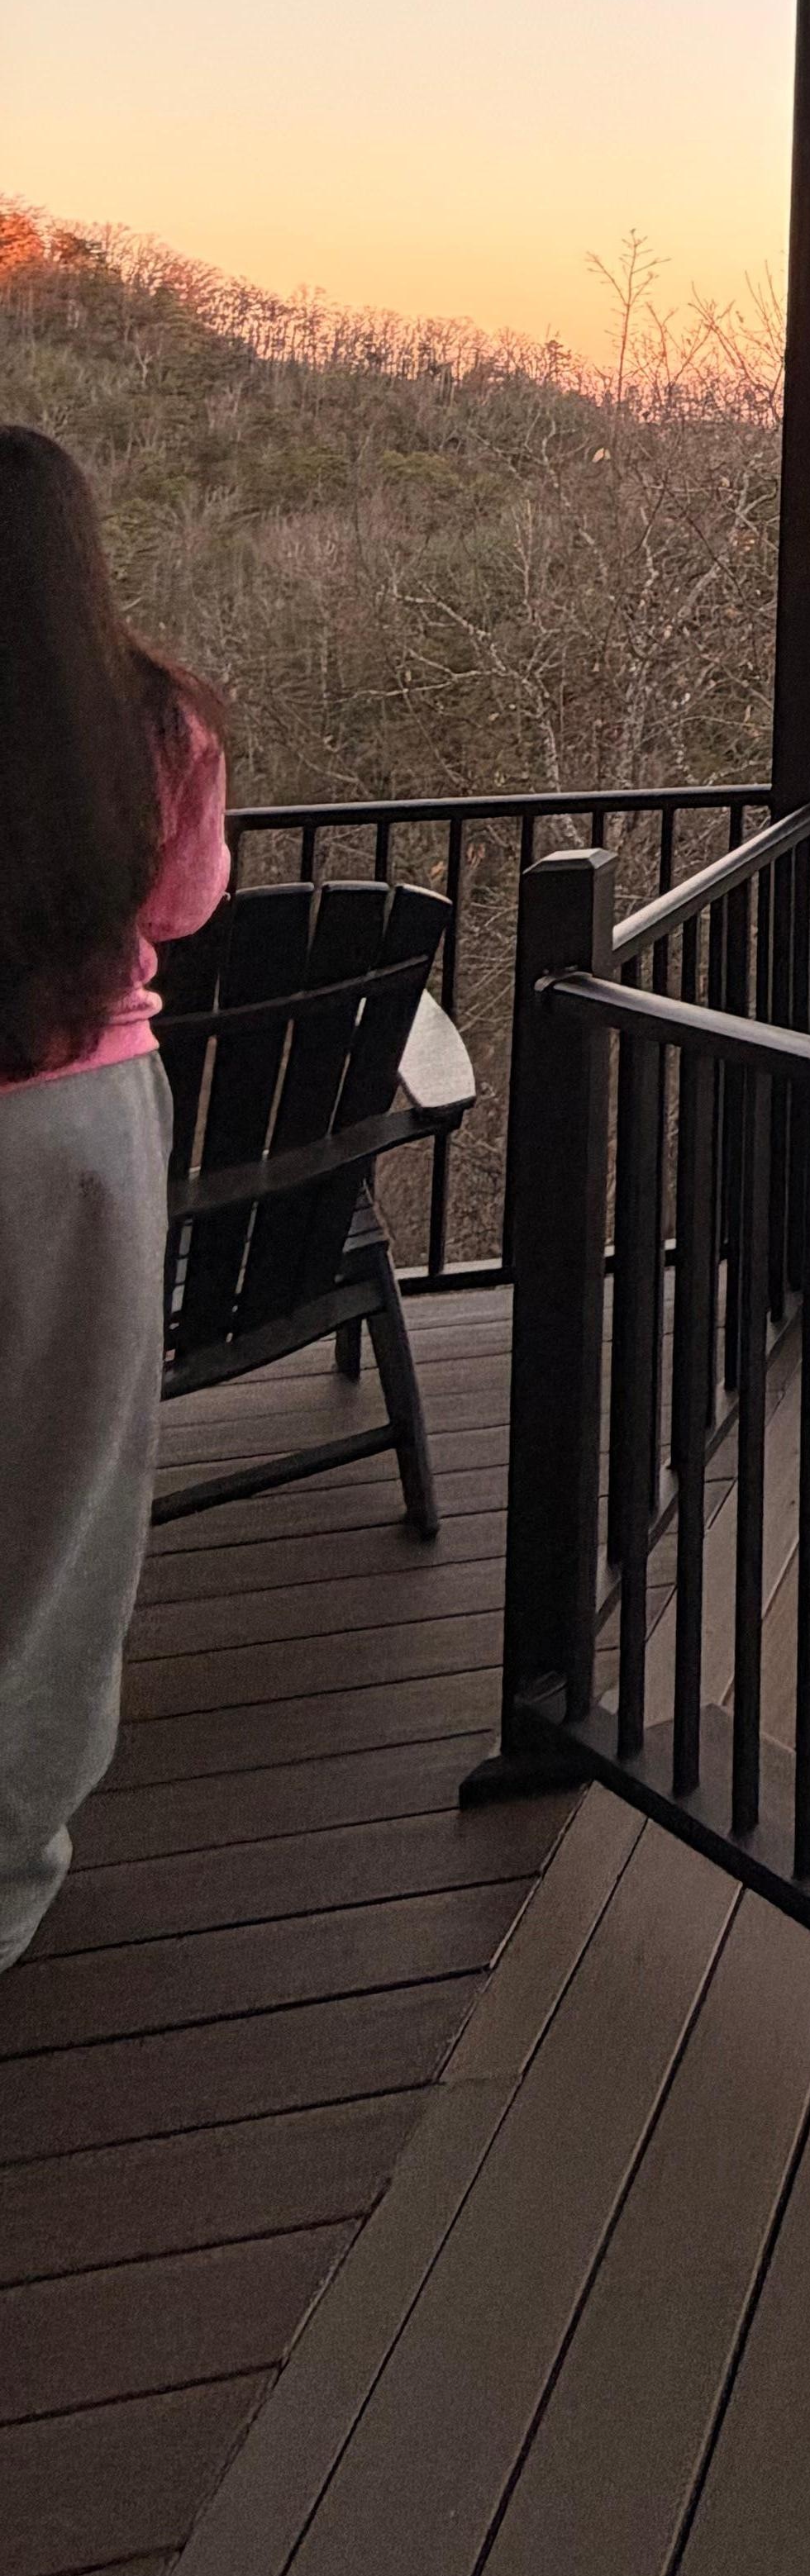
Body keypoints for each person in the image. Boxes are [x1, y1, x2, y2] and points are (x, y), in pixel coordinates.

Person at [0, 430, 226, 1967]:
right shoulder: (152, 721)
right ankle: (12, 1854)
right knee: (64, 1503)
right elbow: (184, 905)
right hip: (81, 1128)